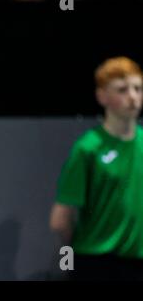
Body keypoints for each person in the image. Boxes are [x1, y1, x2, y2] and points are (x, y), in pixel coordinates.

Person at [50, 56, 143, 280]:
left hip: (137, 265)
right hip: (95, 264)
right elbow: (60, 221)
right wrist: (72, 258)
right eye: (122, 90)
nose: (133, 97)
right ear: (102, 96)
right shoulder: (87, 149)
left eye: (138, 88)